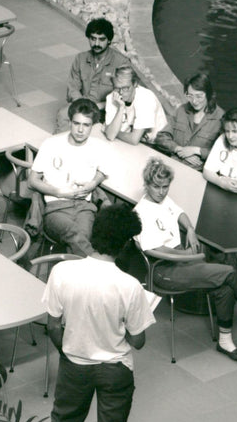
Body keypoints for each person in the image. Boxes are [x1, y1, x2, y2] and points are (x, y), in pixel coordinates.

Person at [133, 158, 237, 363]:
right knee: (228, 272)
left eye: (165, 187)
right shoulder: (140, 212)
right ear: (146, 185)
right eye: (156, 187)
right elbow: (156, 250)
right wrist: (187, 255)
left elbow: (179, 212)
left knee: (224, 287)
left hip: (181, 262)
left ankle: (225, 341)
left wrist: (190, 229)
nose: (162, 192)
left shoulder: (164, 201)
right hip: (164, 270)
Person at [45, 204, 155, 422]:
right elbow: (138, 341)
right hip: (115, 369)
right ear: (125, 244)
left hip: (74, 364)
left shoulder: (61, 272)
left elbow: (53, 326)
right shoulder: (130, 286)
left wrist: (67, 353)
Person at [28, 98, 112, 257]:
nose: (80, 130)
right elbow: (32, 181)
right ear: (70, 122)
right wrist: (59, 192)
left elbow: (103, 171)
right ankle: (97, 267)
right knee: (75, 235)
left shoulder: (99, 147)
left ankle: (77, 277)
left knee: (82, 237)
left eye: (86, 125)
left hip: (84, 207)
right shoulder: (51, 144)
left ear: (92, 126)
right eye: (76, 123)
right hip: (56, 208)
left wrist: (93, 183)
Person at [53, 17, 130, 134]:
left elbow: (124, 95)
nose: (96, 43)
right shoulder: (80, 59)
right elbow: (72, 88)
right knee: (63, 115)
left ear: (109, 40)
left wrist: (98, 106)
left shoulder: (121, 62)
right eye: (93, 39)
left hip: (106, 110)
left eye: (101, 39)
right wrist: (83, 106)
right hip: (83, 105)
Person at [154, 72, 225, 170]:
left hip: (198, 172)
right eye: (190, 96)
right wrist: (179, 149)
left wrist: (197, 151)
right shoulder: (181, 110)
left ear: (208, 94)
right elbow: (161, 137)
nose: (194, 101)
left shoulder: (220, 117)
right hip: (172, 165)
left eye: (199, 96)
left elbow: (225, 154)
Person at [103, 66, 167, 146]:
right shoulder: (111, 97)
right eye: (116, 88)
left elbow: (134, 140)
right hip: (133, 141)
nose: (121, 92)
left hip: (157, 143)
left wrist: (110, 130)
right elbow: (110, 136)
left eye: (125, 88)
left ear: (135, 84)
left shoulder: (146, 97)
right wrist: (121, 108)